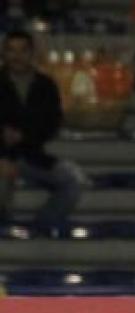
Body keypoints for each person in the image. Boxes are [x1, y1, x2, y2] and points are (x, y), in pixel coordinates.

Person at [0, 29, 87, 232]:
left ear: (32, 53)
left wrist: (23, 136)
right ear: (4, 53)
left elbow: (51, 123)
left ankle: (42, 228)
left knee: (74, 181)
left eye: (22, 50)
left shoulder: (46, 85)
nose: (17, 56)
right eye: (11, 50)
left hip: (32, 156)